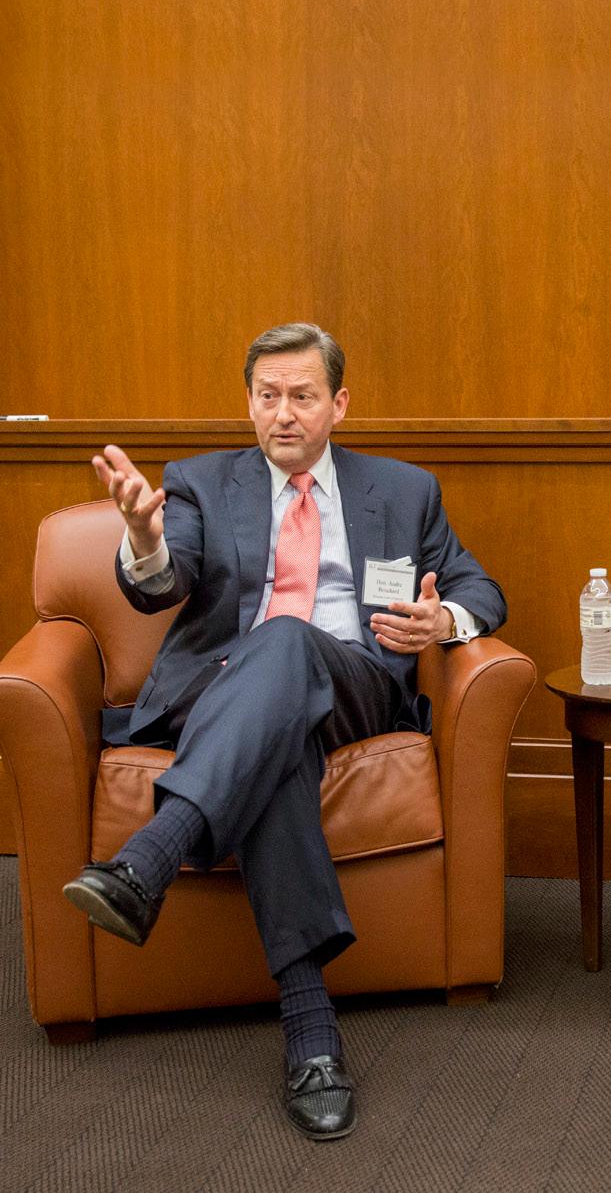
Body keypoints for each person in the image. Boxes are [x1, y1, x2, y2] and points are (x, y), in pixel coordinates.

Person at [62, 323, 506, 1141]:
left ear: (339, 403)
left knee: (291, 640)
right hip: (222, 696)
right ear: (249, 403)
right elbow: (164, 581)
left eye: (302, 395)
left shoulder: (403, 491)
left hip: (353, 685)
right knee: (278, 734)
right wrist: (144, 539)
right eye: (268, 396)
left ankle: (154, 853)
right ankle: (311, 1032)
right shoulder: (200, 482)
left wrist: (441, 619)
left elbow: (482, 588)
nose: (283, 413)